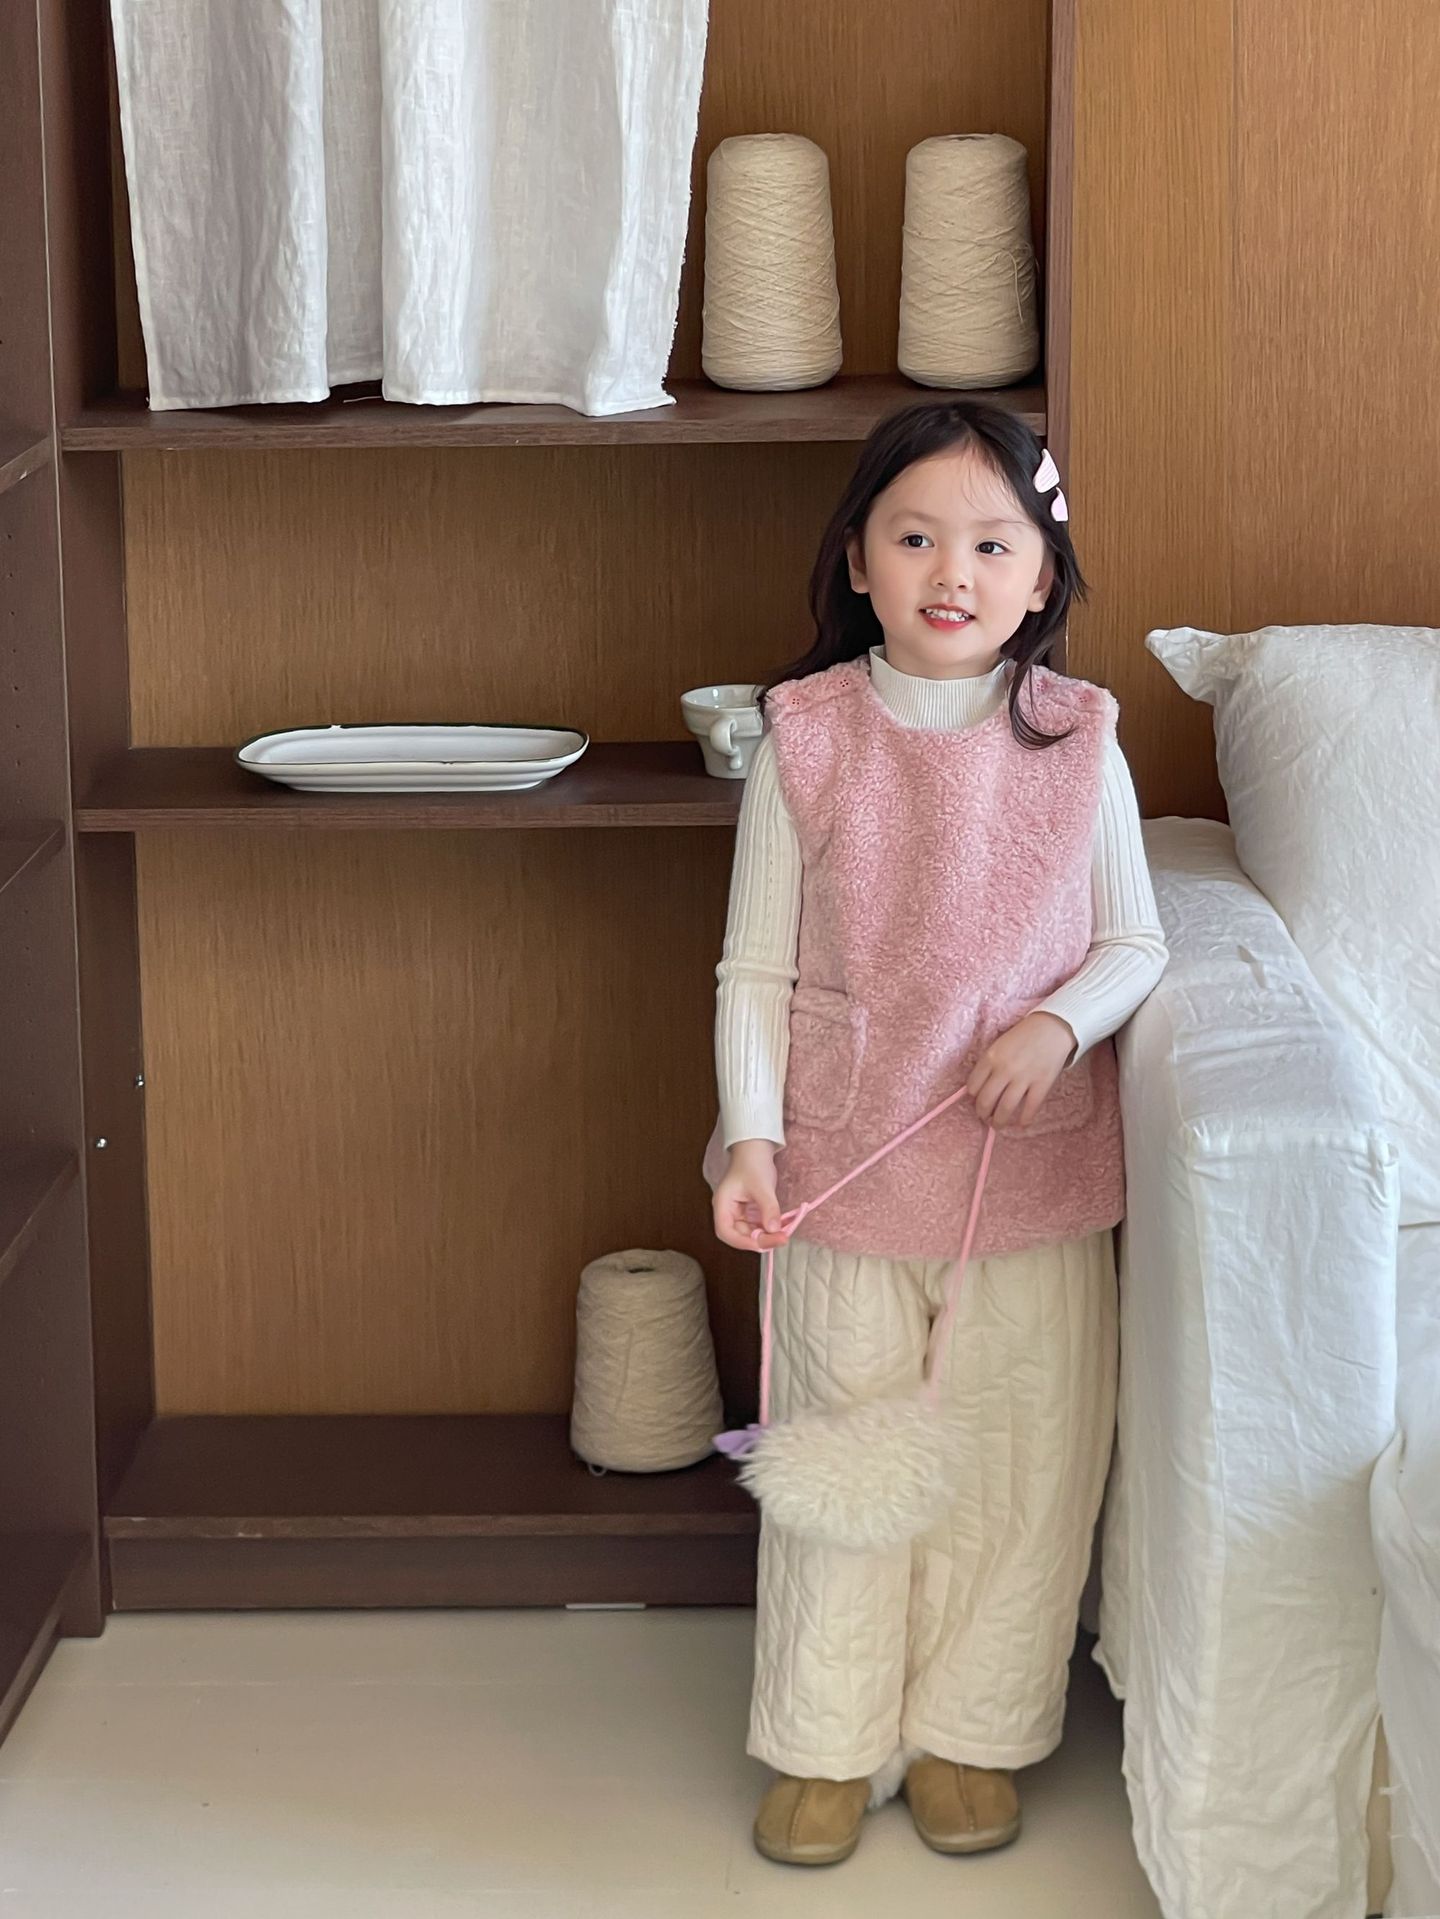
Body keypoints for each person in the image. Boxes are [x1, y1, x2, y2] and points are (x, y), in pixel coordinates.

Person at [705, 399, 1168, 1867]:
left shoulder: (1080, 741)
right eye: (915, 538)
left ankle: (977, 1731)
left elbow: (1135, 943)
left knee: (1020, 1463)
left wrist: (1060, 1025)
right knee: (840, 1463)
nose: (951, 572)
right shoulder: (807, 736)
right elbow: (753, 969)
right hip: (842, 1166)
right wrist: (749, 1136)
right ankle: (825, 1740)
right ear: (859, 560)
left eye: (991, 544)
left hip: (1023, 1179)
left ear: (1044, 576)